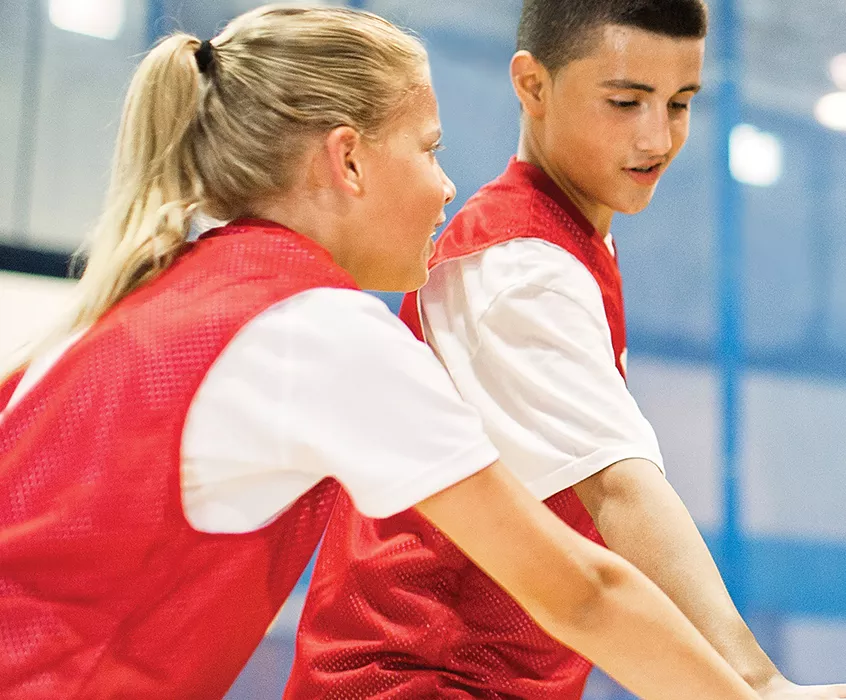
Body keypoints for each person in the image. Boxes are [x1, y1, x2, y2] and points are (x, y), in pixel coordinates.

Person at [0, 6, 758, 699]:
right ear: (349, 161)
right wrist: (759, 691)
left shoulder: (132, 304)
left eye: (681, 103)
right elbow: (584, 591)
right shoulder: (318, 330)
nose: (445, 185)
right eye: (430, 148)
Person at [286, 2, 846, 698]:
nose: (658, 136)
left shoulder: (566, 245)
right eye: (625, 101)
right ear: (532, 86)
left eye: (679, 103)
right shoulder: (516, 268)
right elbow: (619, 492)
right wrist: (759, 685)